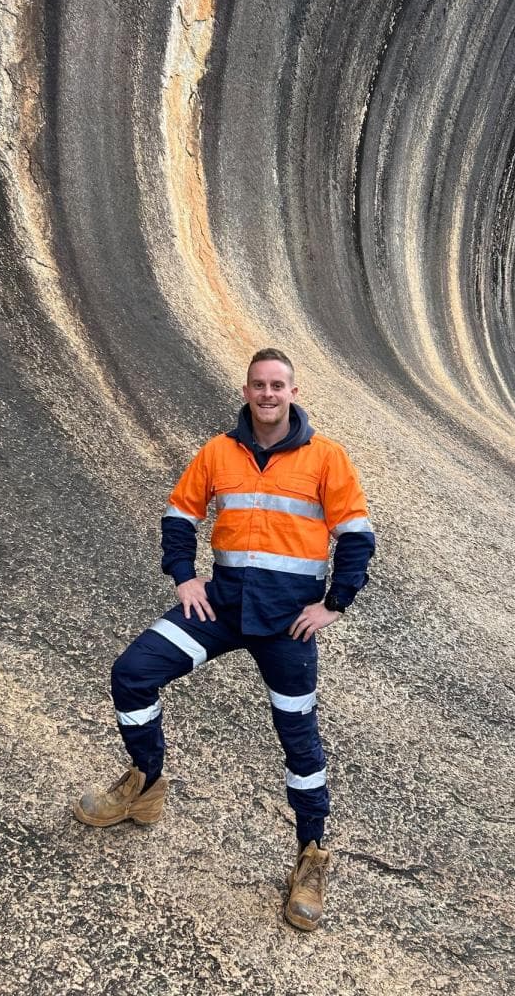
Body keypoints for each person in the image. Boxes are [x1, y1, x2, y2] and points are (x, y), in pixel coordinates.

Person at [73, 349, 375, 931]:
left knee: (299, 739)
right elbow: (180, 513)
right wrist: (184, 576)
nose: (267, 394)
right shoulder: (217, 451)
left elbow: (356, 534)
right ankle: (145, 782)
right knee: (132, 672)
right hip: (223, 607)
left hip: (288, 624)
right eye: (259, 384)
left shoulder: (326, 457)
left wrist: (334, 604)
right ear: (246, 389)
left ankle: (311, 856)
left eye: (277, 385)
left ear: (292, 390)